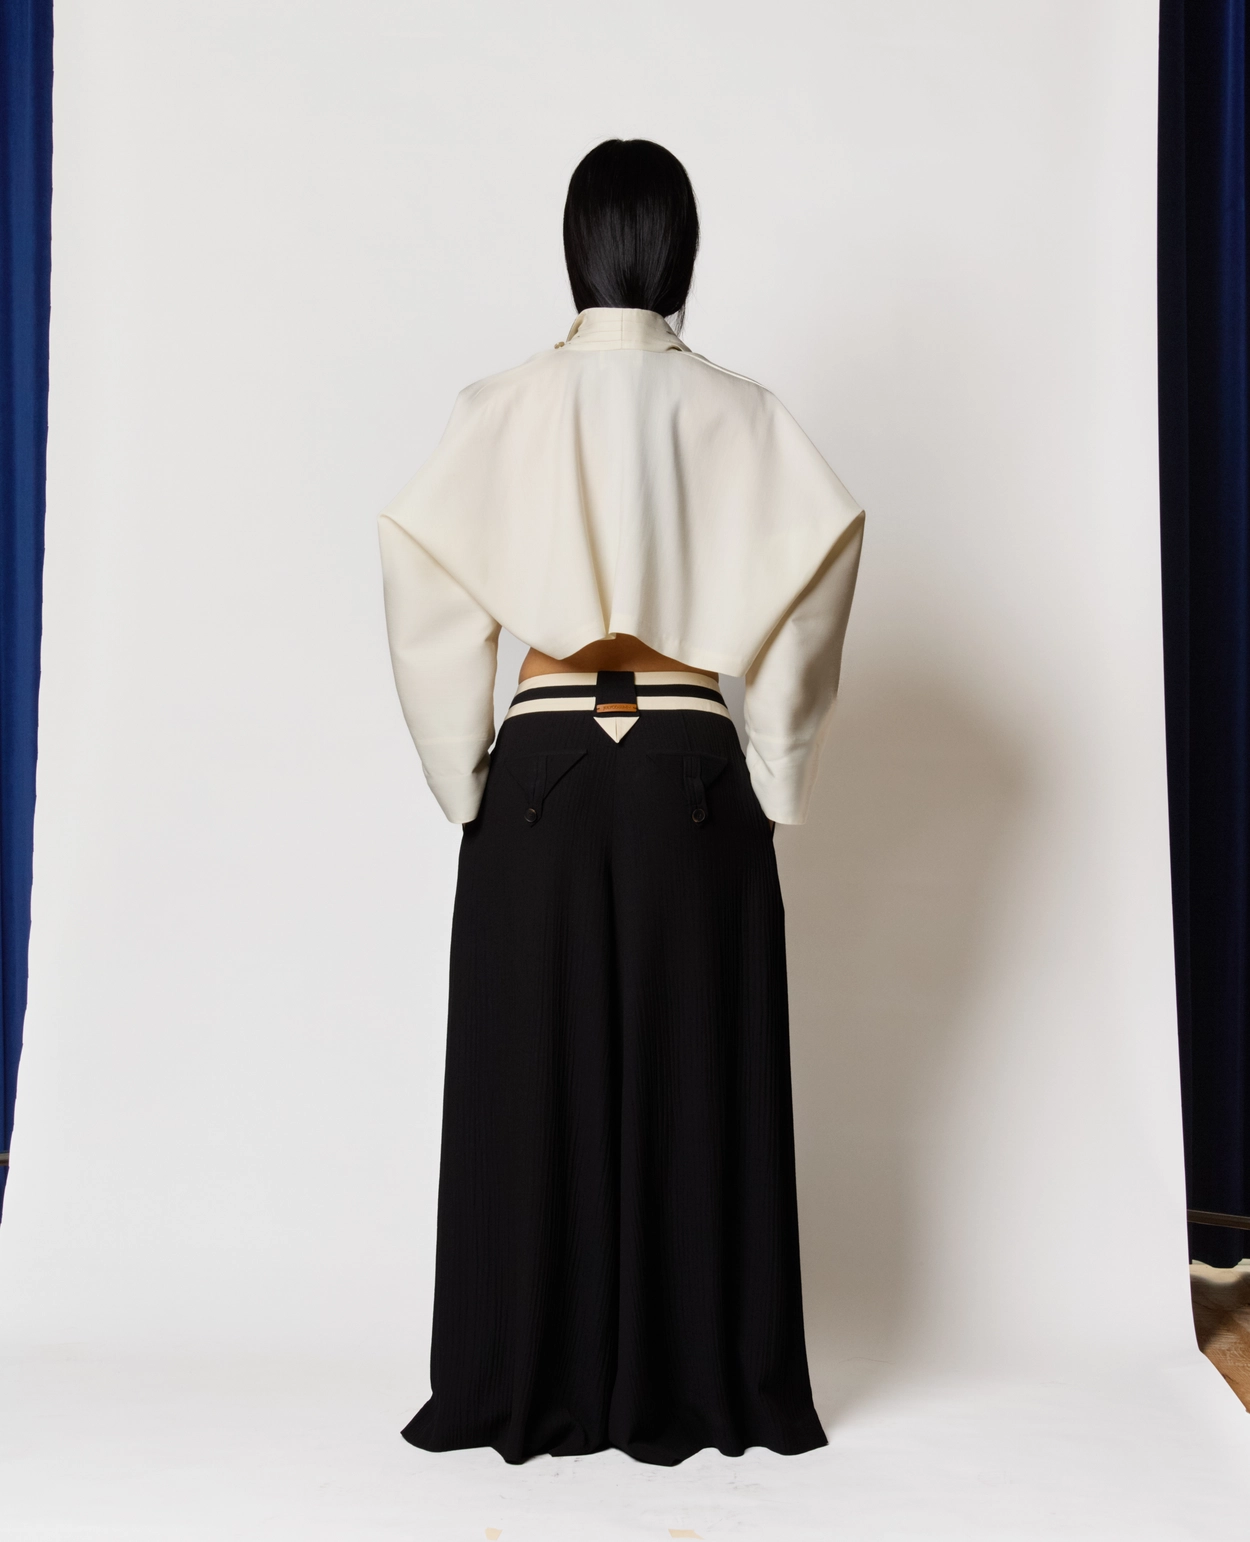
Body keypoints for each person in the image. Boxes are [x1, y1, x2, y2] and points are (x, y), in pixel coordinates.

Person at [378, 138, 864, 1467]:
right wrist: (776, 762)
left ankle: (523, 1377)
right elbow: (820, 559)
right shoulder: (742, 412)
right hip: (692, 765)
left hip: (540, 764)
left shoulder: (501, 405)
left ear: (575, 249)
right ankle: (698, 1381)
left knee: (526, 1079)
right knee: (695, 1078)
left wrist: (461, 768)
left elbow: (421, 564)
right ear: (680, 253)